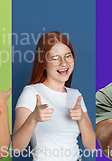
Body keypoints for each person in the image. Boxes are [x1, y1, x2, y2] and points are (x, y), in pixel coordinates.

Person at [13, 31, 95, 160]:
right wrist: (33, 118)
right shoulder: (31, 93)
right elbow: (16, 148)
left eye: (68, 56)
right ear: (43, 63)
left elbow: (92, 146)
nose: (64, 63)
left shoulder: (76, 96)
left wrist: (83, 119)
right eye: (55, 58)